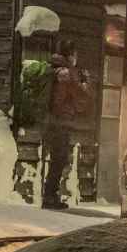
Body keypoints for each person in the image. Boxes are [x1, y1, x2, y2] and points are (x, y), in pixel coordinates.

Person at [43, 39, 90, 210]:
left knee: (57, 159)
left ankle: (49, 195)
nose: (76, 58)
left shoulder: (55, 67)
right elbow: (78, 97)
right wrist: (84, 83)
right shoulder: (66, 73)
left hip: (52, 120)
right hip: (60, 121)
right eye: (75, 55)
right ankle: (49, 197)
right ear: (71, 55)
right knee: (59, 159)